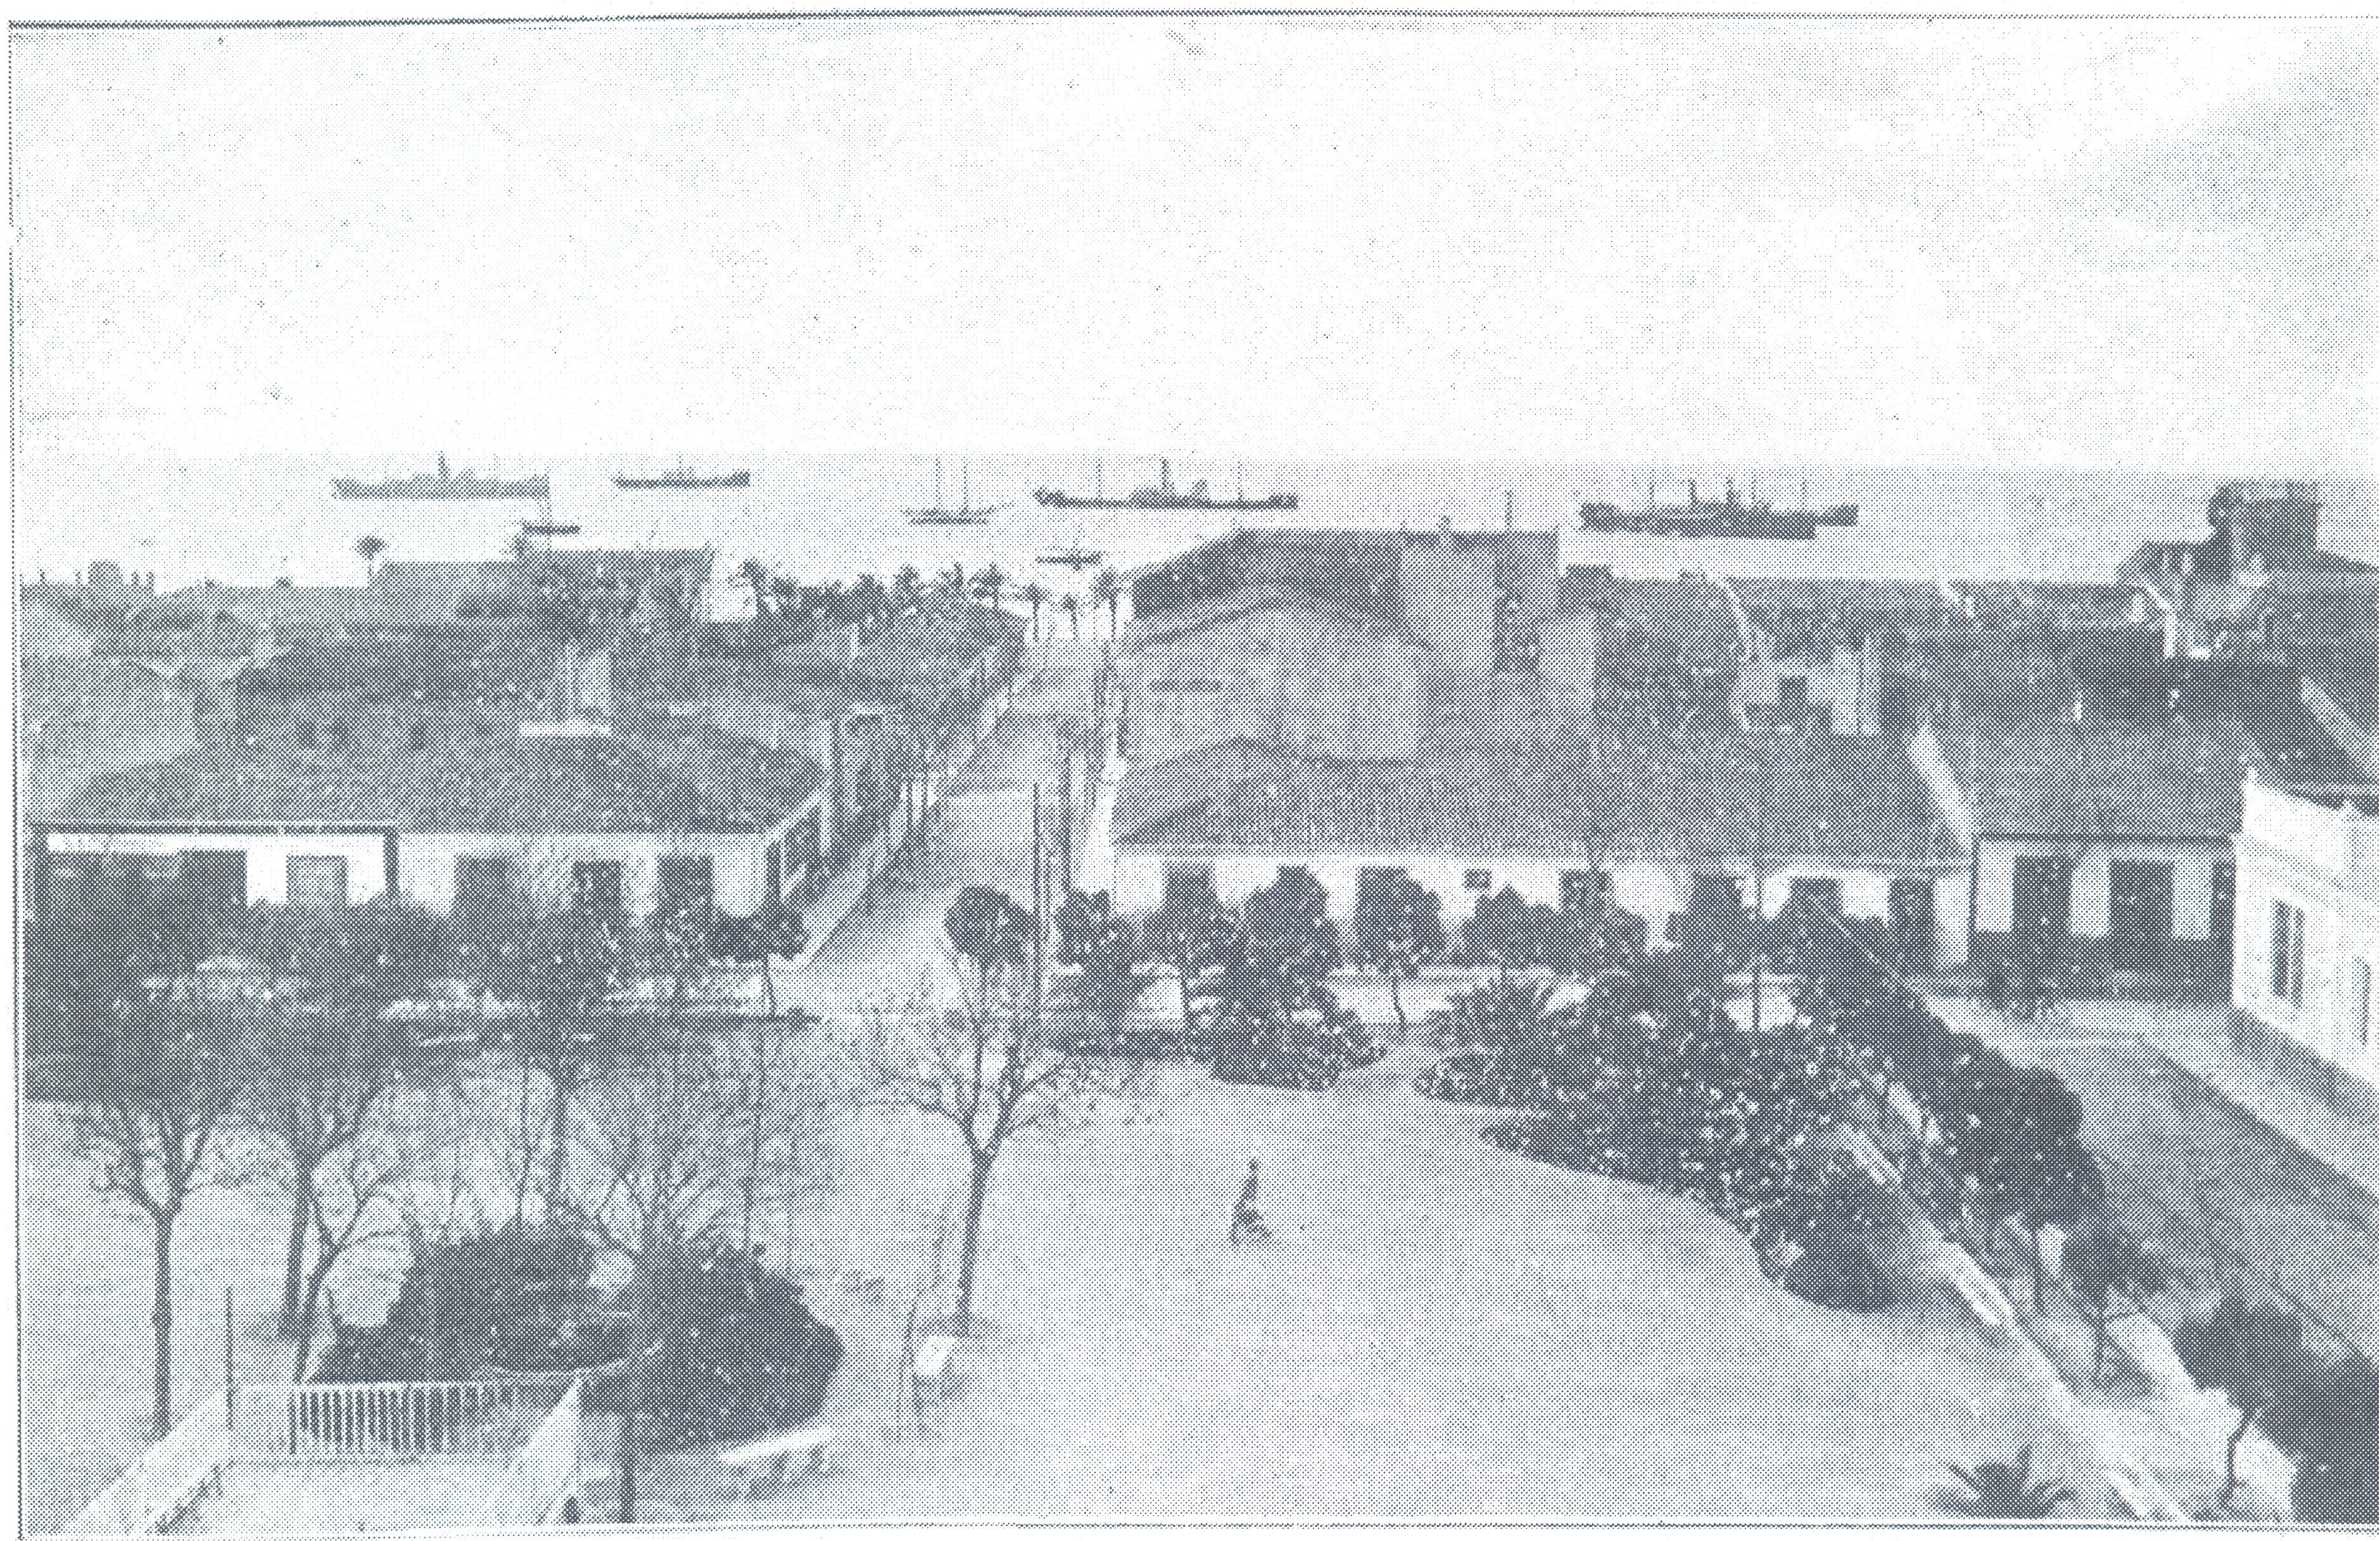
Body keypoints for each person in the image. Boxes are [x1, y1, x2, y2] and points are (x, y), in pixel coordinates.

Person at [1229, 1157, 1270, 1246]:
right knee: (1246, 1220)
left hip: (1246, 1204)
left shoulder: (1252, 1180)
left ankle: (1263, 1236)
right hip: (1246, 1204)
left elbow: (1250, 1194)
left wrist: (1248, 1204)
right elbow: (1249, 1193)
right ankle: (1235, 1238)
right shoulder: (1252, 1179)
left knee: (1247, 1220)